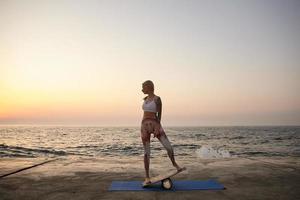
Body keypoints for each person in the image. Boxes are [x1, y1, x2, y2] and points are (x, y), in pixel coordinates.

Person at [141, 80, 184, 185]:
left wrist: (157, 128)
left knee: (169, 147)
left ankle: (175, 164)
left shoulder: (157, 99)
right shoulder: (145, 99)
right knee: (147, 152)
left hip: (155, 125)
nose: (142, 89)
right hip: (144, 126)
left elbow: (159, 115)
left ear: (149, 87)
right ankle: (147, 177)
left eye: (143, 87)